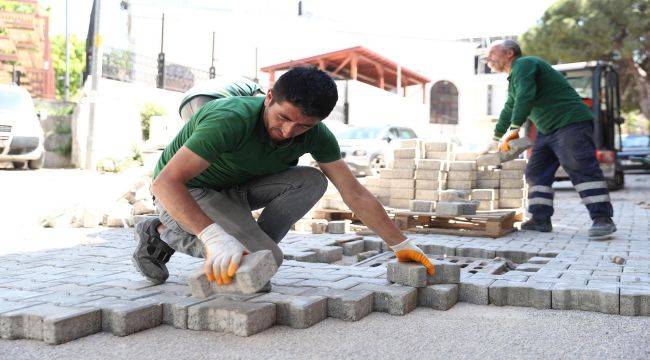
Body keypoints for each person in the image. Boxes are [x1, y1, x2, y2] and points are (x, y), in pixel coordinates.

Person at [132, 67, 434, 285]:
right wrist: (214, 236)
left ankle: (251, 247)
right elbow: (166, 182)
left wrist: (401, 244)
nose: (288, 132)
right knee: (264, 261)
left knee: (312, 181)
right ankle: (160, 231)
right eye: (283, 117)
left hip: (234, 190)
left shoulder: (317, 134)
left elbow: (354, 192)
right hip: (188, 191)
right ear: (269, 97)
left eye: (303, 126)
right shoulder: (229, 119)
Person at [482, 39, 616, 237]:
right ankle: (540, 219)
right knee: (536, 172)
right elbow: (510, 107)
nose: (487, 59)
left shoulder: (524, 64)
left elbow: (525, 97)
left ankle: (603, 219)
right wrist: (495, 138)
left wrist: (514, 128)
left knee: (581, 168)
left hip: (570, 123)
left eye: (492, 54)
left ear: (509, 53)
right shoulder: (514, 78)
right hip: (548, 129)